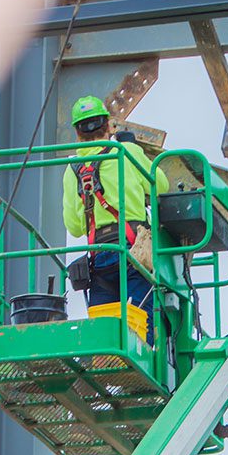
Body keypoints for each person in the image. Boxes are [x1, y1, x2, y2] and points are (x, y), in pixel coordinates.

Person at [61, 95, 167, 341]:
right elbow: (160, 185)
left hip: (99, 258)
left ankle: (103, 363)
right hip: (133, 252)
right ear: (108, 125)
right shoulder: (126, 151)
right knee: (141, 324)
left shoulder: (72, 169)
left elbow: (75, 227)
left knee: (103, 332)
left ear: (77, 133)